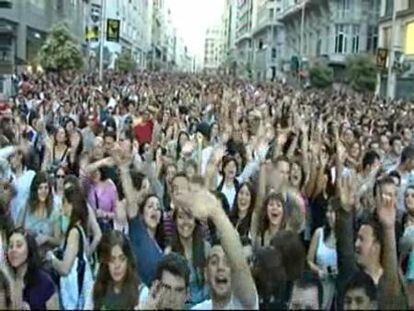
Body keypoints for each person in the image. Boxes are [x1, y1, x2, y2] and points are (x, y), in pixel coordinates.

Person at [175, 184, 258, 310]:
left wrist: (215, 211)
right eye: (214, 262)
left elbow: (240, 267)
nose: (220, 268)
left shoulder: (244, 305)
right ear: (206, 273)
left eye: (227, 263)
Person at [45, 179, 93, 310]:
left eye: (64, 202)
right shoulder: (81, 228)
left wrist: (52, 258)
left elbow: (65, 269)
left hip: (76, 298)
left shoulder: (74, 232)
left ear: (72, 205)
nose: (62, 206)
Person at [85, 231, 149, 310]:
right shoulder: (96, 289)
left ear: (128, 260)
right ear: (105, 262)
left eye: (122, 259)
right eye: (112, 260)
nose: (117, 265)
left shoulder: (142, 293)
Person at [7, 228, 59, 310]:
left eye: (19, 245)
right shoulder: (5, 279)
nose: (13, 250)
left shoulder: (44, 281)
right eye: (10, 246)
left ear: (29, 249)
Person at [307, 200, 337, 309]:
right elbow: (309, 261)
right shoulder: (319, 233)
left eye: (333, 212)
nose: (329, 215)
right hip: (319, 284)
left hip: (335, 290)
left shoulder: (346, 240)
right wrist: (318, 270)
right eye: (328, 211)